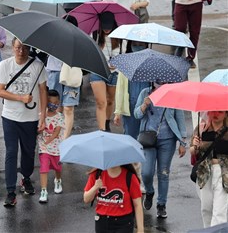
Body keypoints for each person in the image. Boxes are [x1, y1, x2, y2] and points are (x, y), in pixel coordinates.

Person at [0, 37, 48, 207]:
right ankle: (10, 191)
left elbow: (43, 92)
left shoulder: (38, 66)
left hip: (30, 118)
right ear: (12, 48)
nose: (21, 51)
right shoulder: (5, 65)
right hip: (9, 117)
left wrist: (43, 116)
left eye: (25, 48)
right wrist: (20, 98)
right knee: (11, 152)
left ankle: (26, 178)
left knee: (28, 151)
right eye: (18, 48)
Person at [134, 84, 187, 218]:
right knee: (146, 173)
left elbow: (179, 117)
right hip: (148, 138)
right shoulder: (145, 92)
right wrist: (144, 105)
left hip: (167, 139)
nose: (160, 83)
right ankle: (150, 191)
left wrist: (182, 141)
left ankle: (161, 204)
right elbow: (136, 115)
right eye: (158, 81)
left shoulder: (172, 94)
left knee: (163, 173)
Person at [190, 111, 228, 228]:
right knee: (206, 209)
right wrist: (195, 146)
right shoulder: (202, 128)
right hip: (205, 173)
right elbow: (192, 151)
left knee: (219, 212)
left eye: (220, 112)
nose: (216, 114)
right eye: (213, 111)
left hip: (224, 174)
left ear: (226, 114)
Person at [45, 15, 81, 138]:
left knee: (68, 108)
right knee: (55, 107)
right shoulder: (52, 36)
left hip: (71, 75)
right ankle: (56, 134)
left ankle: (64, 140)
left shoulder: (79, 40)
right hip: (55, 72)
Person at [84, 164, 144, 233]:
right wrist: (95, 187)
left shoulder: (130, 177)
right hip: (102, 222)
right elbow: (86, 199)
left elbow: (137, 205)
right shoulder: (97, 174)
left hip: (123, 223)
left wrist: (140, 229)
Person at [90, 12, 121, 131]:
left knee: (109, 101)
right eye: (104, 26)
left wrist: (116, 63)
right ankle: (102, 130)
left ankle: (107, 123)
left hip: (115, 73)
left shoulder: (120, 37)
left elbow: (123, 54)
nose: (106, 29)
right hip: (98, 71)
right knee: (101, 102)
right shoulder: (95, 36)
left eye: (109, 26)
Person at [37, 89, 65, 203]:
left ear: (58, 103)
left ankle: (58, 180)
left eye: (55, 103)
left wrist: (48, 140)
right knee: (44, 167)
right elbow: (37, 130)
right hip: (43, 148)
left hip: (56, 148)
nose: (53, 105)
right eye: (50, 103)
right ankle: (44, 190)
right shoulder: (40, 116)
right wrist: (40, 130)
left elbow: (56, 132)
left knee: (57, 167)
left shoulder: (60, 117)